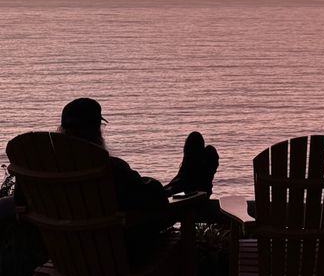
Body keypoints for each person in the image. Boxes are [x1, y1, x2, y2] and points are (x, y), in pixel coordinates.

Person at [11, 98, 219, 261]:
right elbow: (153, 199)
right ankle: (193, 184)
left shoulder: (35, 173)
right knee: (162, 198)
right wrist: (144, 182)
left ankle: (186, 179)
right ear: (98, 132)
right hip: (120, 254)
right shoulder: (109, 169)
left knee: (147, 192)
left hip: (63, 254)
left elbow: (19, 205)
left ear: (62, 132)